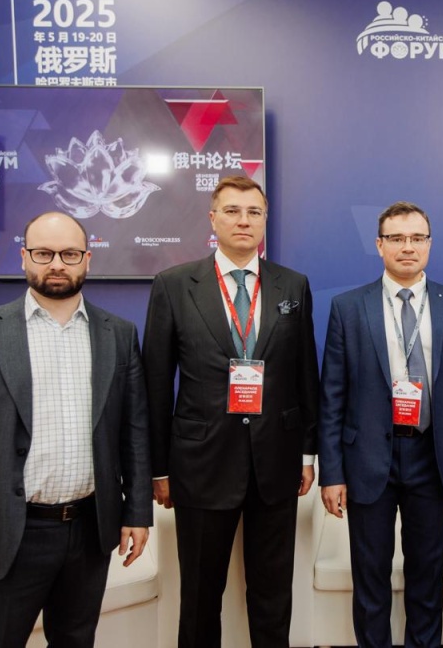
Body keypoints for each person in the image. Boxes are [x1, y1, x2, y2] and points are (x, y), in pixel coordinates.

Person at [0, 211, 153, 648]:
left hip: (90, 531)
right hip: (8, 533)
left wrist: (137, 512)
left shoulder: (119, 335)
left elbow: (134, 432)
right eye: (44, 253)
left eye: (69, 254)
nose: (57, 264)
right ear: (24, 257)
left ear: (87, 259)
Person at [143, 175, 320, 648]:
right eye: (233, 211)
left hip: (276, 463)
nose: (244, 220)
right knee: (201, 597)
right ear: (213, 219)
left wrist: (307, 453)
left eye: (254, 212)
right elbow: (155, 385)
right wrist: (158, 468)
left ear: (265, 221)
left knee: (272, 596)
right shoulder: (174, 285)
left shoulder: (293, 285)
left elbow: (306, 375)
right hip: (200, 464)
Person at [319, 201, 443, 648]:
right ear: (379, 245)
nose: (408, 247)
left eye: (417, 238)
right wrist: (332, 473)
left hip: (434, 457)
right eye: (397, 238)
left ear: (429, 244)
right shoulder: (349, 307)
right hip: (368, 459)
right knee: (370, 579)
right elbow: (332, 396)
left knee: (427, 578)